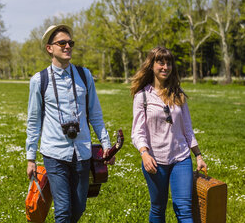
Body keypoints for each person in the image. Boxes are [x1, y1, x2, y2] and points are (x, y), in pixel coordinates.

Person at [26, 24, 115, 223]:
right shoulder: (39, 80)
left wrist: (107, 145)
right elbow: (34, 121)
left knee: (78, 207)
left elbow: (96, 115)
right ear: (50, 48)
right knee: (63, 211)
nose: (68, 46)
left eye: (70, 43)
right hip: (54, 154)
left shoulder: (85, 76)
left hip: (82, 152)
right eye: (62, 43)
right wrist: (30, 157)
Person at [130, 46, 207, 223]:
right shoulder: (142, 96)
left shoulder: (178, 94)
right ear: (152, 65)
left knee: (184, 208)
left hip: (180, 158)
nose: (165, 67)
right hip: (154, 161)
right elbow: (137, 131)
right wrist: (144, 154)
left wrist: (198, 155)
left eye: (169, 63)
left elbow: (187, 128)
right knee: (158, 207)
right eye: (160, 62)